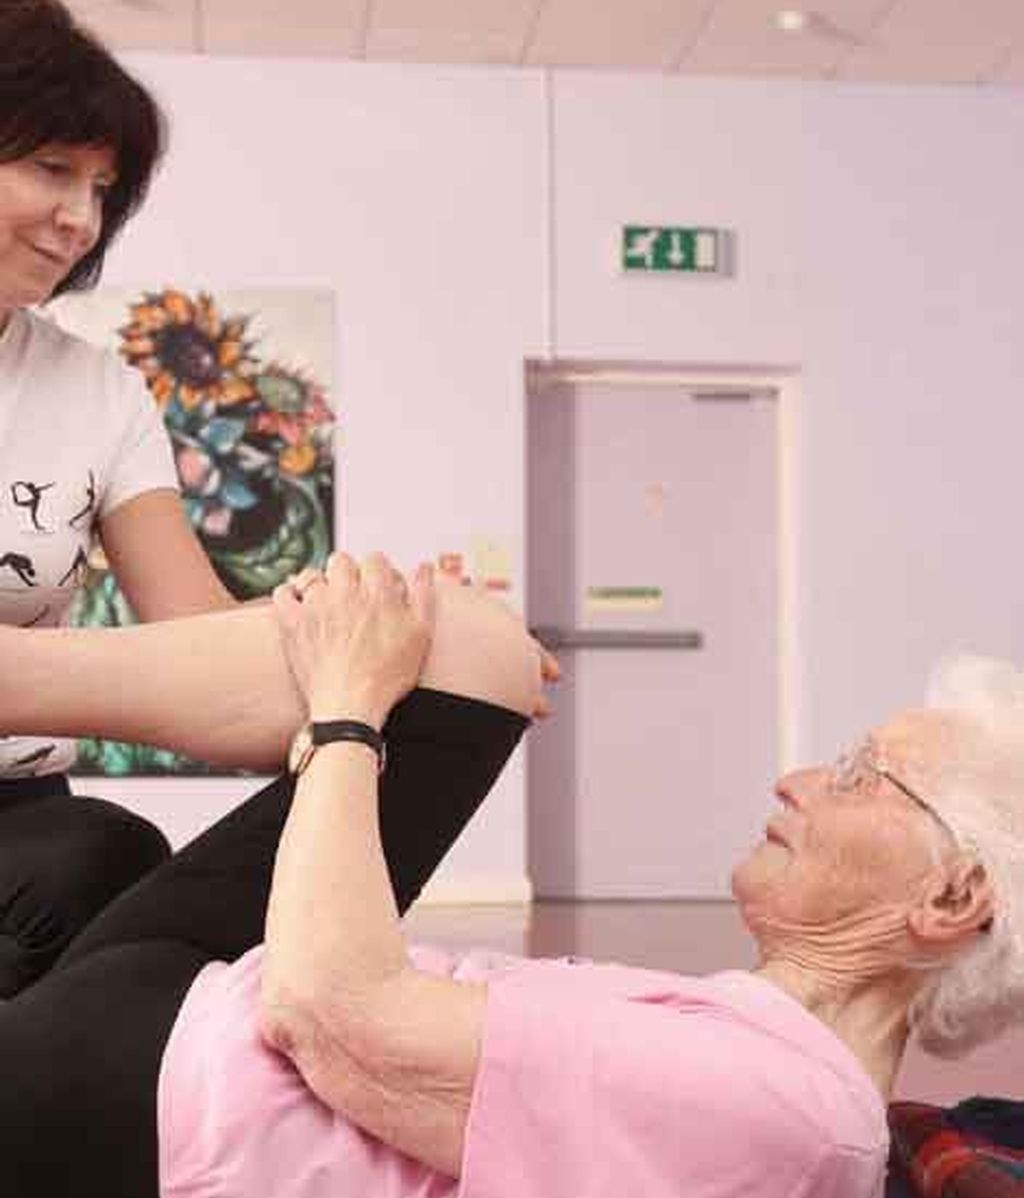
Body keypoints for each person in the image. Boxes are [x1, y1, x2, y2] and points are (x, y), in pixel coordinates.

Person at [2, 551, 1020, 1198]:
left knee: (417, 654)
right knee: (471, 650)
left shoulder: (791, 1111)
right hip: (187, 1005)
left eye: (858, 775)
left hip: (132, 1092)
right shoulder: (768, 1054)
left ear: (948, 899)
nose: (800, 782)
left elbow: (327, 1006)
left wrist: (351, 704)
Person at [0, 0, 238, 992]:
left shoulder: (98, 390)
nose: (81, 218)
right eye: (53, 168)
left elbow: (202, 634)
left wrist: (364, 625)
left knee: (109, 862)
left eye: (102, 189)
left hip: (23, 817)